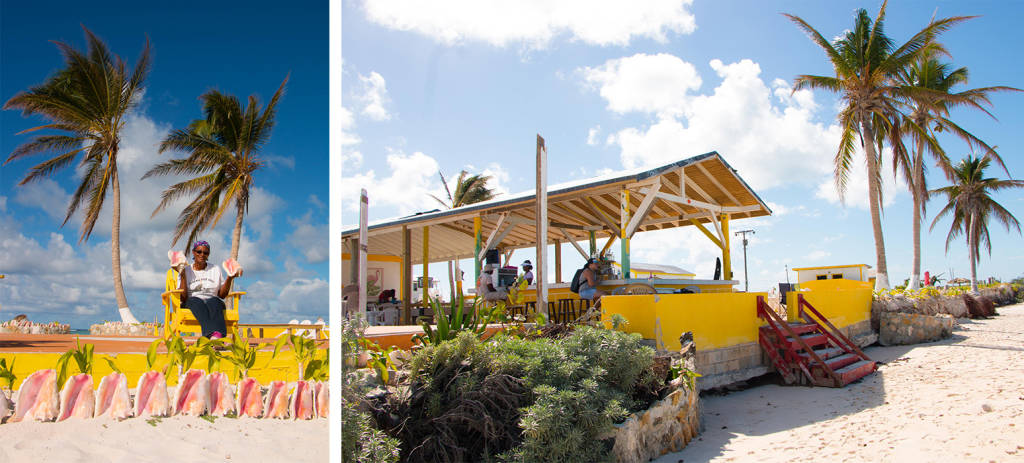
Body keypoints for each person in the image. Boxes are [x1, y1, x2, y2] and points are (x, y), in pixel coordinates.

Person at [177, 240, 240, 340]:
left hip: (213, 302)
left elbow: (222, 295)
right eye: (199, 252)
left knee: (214, 301)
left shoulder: (215, 269)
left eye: (205, 253)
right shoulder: (185, 269)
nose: (202, 255)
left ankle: (214, 336)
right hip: (192, 302)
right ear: (193, 252)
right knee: (195, 301)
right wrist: (183, 275)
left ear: (208, 254)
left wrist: (229, 278)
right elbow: (183, 298)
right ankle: (215, 335)